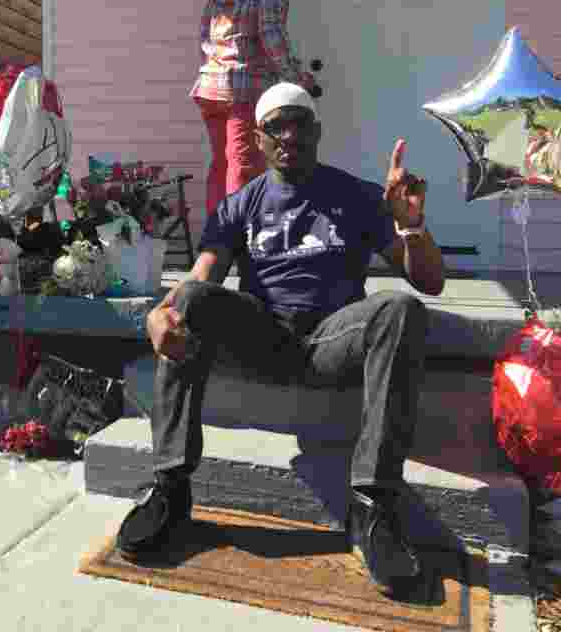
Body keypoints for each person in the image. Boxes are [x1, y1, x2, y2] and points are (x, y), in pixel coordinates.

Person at [116, 83, 447, 601]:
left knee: (400, 309)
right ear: (259, 138)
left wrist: (413, 227)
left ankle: (372, 505)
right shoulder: (238, 206)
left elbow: (428, 282)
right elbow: (199, 279)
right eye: (276, 126)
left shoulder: (357, 196)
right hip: (264, 338)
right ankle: (171, 490)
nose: (288, 134)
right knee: (191, 304)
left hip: (333, 336)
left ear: (316, 133)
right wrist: (160, 316)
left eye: (299, 123)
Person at [191, 0, 317, 218]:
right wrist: (298, 79)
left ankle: (215, 237)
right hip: (242, 89)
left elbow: (204, 34)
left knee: (221, 163)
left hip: (210, 86)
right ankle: (236, 245)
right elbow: (271, 34)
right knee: (243, 165)